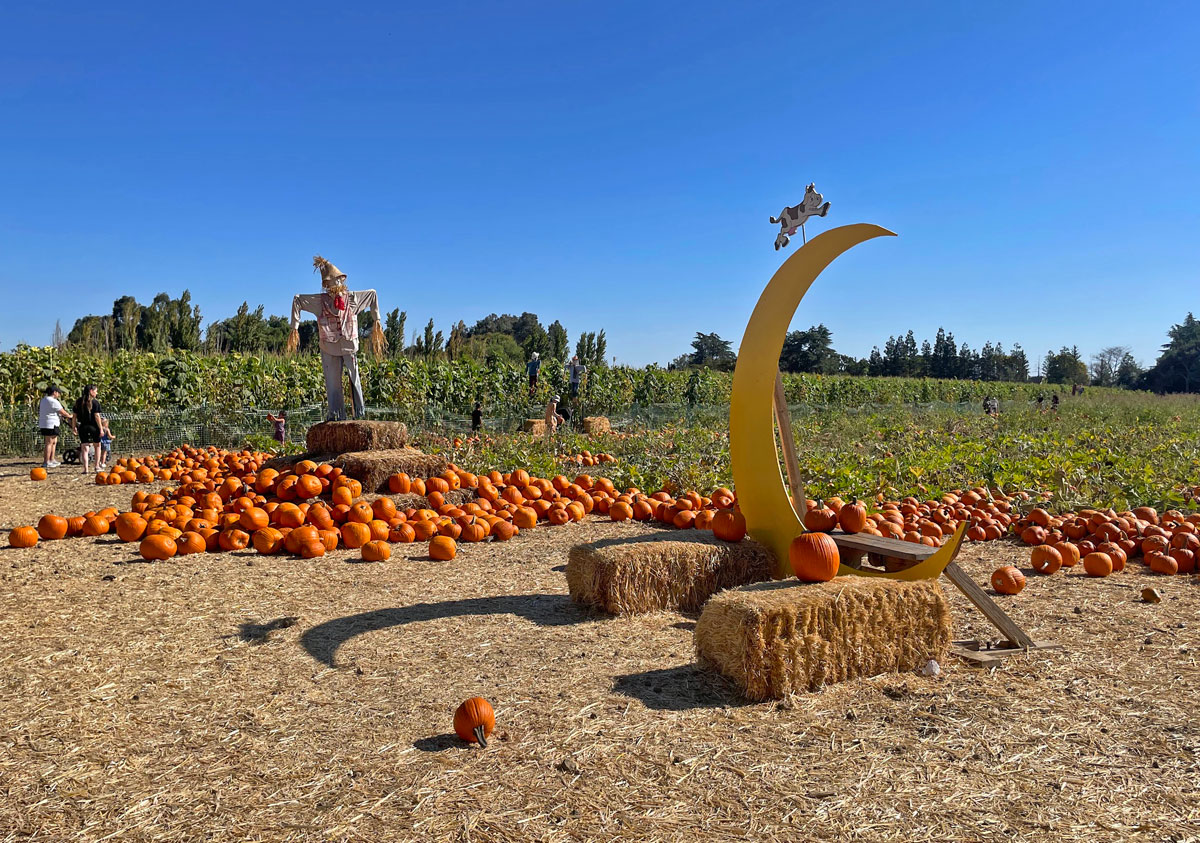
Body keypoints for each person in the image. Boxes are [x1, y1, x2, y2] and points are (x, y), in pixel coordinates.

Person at [287, 255, 387, 421]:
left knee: (355, 379)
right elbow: (298, 299)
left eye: (339, 280)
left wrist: (377, 320)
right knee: (333, 382)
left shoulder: (353, 299)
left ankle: (359, 415)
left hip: (349, 344)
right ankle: (336, 416)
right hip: (329, 347)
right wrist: (294, 328)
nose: (337, 284)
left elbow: (372, 294)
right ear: (326, 284)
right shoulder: (320, 302)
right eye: (333, 281)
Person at [37, 385, 74, 469]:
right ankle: (46, 462)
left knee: (54, 442)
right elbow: (62, 411)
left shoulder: (44, 400)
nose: (59, 395)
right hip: (50, 424)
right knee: (49, 443)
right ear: (54, 392)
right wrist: (69, 416)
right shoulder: (53, 401)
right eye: (58, 393)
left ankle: (52, 459)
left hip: (48, 423)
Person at [73, 384, 103, 473]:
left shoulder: (78, 402)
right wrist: (101, 428)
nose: (96, 393)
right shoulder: (95, 402)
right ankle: (97, 466)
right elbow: (97, 416)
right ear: (91, 391)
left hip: (82, 427)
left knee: (84, 448)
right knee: (97, 446)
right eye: (96, 391)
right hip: (94, 427)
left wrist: (74, 427)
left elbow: (74, 416)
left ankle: (85, 469)